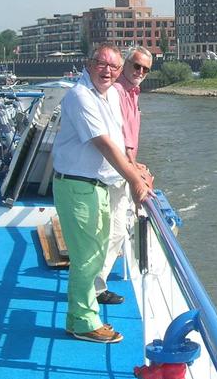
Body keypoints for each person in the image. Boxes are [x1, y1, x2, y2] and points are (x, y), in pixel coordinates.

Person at [51, 44, 152, 343]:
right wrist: (135, 181)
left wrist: (137, 168)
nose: (107, 70)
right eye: (101, 64)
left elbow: (119, 142)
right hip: (78, 185)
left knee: (95, 254)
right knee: (87, 257)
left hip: (95, 185)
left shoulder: (106, 96)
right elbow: (105, 145)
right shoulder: (81, 97)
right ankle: (82, 322)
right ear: (89, 63)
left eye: (113, 67)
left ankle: (81, 315)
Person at [93, 46, 154, 305]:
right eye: (136, 65)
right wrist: (133, 171)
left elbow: (128, 139)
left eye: (145, 69)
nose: (140, 72)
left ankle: (94, 285)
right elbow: (116, 138)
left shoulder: (132, 92)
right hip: (113, 173)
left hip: (121, 170)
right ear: (125, 64)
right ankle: (94, 289)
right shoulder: (117, 92)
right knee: (113, 232)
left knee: (114, 232)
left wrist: (134, 164)